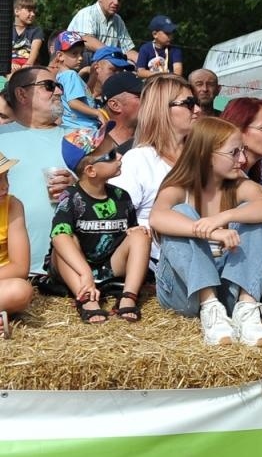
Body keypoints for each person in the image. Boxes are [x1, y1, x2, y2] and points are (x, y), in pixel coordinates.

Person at [147, 117, 262, 346]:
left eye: (242, 151)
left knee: (254, 215)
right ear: (206, 155)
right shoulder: (179, 188)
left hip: (226, 288)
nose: (243, 159)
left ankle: (246, 309)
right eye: (233, 152)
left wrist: (225, 217)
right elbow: (157, 217)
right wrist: (209, 232)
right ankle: (210, 308)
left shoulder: (239, 185)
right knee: (181, 213)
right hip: (184, 294)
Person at [49, 132, 152, 323]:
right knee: (64, 240)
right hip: (76, 269)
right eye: (112, 155)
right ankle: (86, 298)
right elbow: (58, 235)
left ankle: (128, 296)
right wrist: (85, 272)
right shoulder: (71, 197)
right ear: (91, 171)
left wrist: (135, 232)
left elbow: (129, 231)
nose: (120, 156)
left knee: (140, 235)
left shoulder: (122, 196)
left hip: (110, 265)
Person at [109, 75, 202, 265]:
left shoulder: (204, 158)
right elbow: (114, 222)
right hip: (160, 264)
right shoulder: (139, 160)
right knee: (182, 212)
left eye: (197, 102)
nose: (198, 110)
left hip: (206, 254)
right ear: (162, 109)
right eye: (189, 103)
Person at [0, 64, 84, 275]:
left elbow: (107, 195)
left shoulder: (80, 138)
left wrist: (77, 186)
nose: (58, 91)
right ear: (21, 94)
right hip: (9, 270)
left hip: (67, 267)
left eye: (59, 86)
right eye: (49, 86)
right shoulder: (2, 137)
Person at [0, 156, 33, 336]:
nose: (5, 186)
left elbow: (20, 268)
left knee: (21, 290)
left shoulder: (12, 206)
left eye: (6, 177)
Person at [67, 0, 135, 53]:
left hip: (104, 61)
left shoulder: (118, 20)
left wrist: (146, 61)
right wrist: (113, 54)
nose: (116, 2)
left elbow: (128, 50)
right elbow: (87, 40)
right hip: (78, 61)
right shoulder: (87, 14)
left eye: (119, 0)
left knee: (132, 63)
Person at [53, 33, 101, 133]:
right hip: (83, 128)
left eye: (81, 53)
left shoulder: (60, 76)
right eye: (74, 53)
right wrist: (97, 112)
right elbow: (73, 102)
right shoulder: (70, 75)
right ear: (60, 56)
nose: (80, 58)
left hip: (71, 126)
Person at [100, 72, 143, 155]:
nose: (150, 100)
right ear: (115, 105)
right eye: (140, 96)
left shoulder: (156, 141)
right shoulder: (96, 150)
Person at [9, 0, 42, 75]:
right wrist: (9, 64)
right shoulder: (6, 30)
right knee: (11, 74)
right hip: (11, 65)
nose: (33, 14)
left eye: (34, 11)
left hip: (28, 65)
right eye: (29, 11)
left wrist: (28, 64)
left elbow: (35, 50)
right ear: (17, 11)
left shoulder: (36, 31)